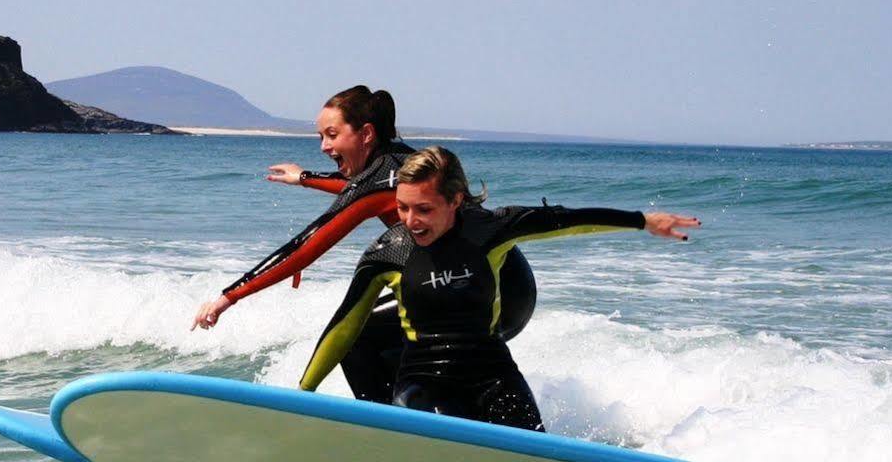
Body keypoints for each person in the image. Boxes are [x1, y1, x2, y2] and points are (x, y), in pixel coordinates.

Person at [299, 146, 699, 432]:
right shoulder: (389, 252)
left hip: (493, 375)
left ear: (456, 200)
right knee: (438, 436)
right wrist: (304, 394)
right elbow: (344, 328)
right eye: (403, 207)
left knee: (534, 455)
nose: (410, 220)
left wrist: (642, 221)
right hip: (424, 380)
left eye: (424, 209)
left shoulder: (487, 230)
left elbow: (566, 221)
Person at [192, 86, 536, 404]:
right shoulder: (400, 161)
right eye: (321, 136)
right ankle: (431, 423)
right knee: (388, 343)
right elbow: (359, 188)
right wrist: (306, 179)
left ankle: (394, 430)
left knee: (360, 338)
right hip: (508, 284)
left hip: (485, 294)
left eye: (332, 135)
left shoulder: (379, 181)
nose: (324, 146)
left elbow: (307, 243)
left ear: (366, 134)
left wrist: (227, 297)